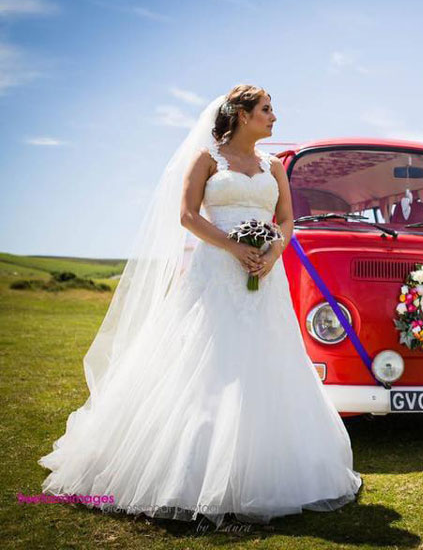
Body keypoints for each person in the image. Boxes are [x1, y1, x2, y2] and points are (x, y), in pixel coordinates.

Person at [38, 84, 363, 528]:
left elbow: (286, 220)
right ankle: (189, 472)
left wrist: (270, 253)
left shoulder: (275, 167)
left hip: (266, 274)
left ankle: (263, 470)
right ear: (243, 115)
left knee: (265, 360)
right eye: (267, 110)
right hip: (216, 269)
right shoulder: (208, 158)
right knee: (209, 360)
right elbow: (188, 215)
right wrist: (233, 247)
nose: (274, 117)